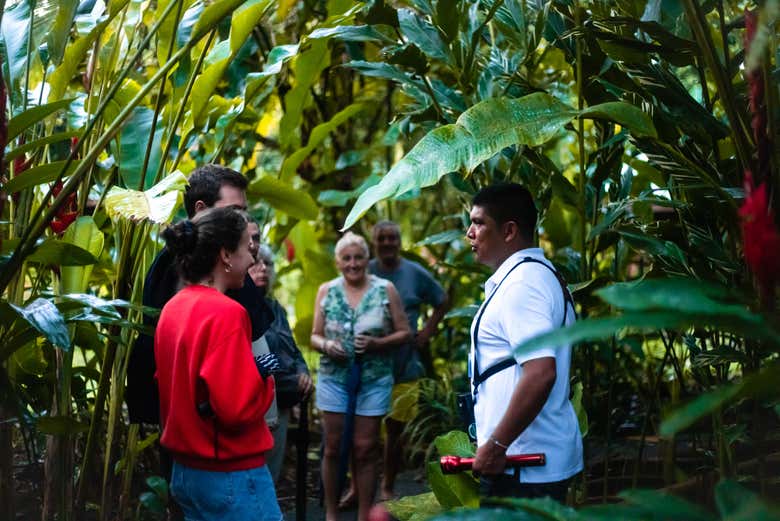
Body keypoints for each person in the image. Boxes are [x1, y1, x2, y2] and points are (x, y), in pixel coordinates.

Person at [155, 207, 282, 520]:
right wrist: (264, 376)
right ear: (226, 255)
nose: (253, 260)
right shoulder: (227, 313)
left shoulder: (172, 308)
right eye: (245, 249)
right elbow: (236, 409)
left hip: (186, 473)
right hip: (229, 473)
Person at [127, 163, 274, 425]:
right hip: (206, 419)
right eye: (234, 211)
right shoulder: (173, 267)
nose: (243, 221)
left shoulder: (227, 259)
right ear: (201, 209)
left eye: (244, 211)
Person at [467, 183, 583, 502]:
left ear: (509, 231)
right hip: (523, 464)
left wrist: (496, 445)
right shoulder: (535, 276)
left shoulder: (523, 285)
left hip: (523, 468)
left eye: (479, 223)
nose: (469, 233)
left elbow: (541, 372)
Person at [310, 232, 411, 521]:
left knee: (365, 447)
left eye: (358, 257)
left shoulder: (385, 288)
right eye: (347, 258)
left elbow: (405, 332)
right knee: (332, 445)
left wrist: (378, 344)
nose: (353, 263)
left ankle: (365, 513)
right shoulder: (326, 290)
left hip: (374, 378)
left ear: (368, 259)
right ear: (338, 262)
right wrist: (328, 345)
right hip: (333, 378)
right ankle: (331, 512)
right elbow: (314, 336)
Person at [371, 221, 447, 500]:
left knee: (395, 433)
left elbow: (442, 300)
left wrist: (426, 332)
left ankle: (387, 487)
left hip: (405, 365)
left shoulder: (414, 273)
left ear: (399, 242)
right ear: (375, 242)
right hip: (371, 367)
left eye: (392, 238)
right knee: (365, 434)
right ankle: (360, 489)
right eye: (382, 238)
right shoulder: (365, 271)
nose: (388, 243)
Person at [248, 237, 314, 483]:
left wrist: (303, 372)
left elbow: (292, 349)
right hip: (260, 406)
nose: (263, 268)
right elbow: (262, 363)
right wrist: (292, 381)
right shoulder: (240, 309)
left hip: (283, 402)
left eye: (267, 264)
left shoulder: (276, 308)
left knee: (271, 475)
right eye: (255, 263)